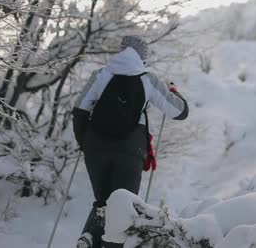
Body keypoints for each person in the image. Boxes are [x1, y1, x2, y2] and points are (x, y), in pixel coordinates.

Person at [71, 36, 188, 248]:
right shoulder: (148, 79)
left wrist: (85, 144)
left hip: (96, 146)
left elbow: (79, 111)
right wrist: (174, 92)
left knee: (103, 201)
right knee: (123, 207)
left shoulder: (101, 74)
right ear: (143, 57)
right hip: (130, 148)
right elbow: (180, 112)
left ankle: (89, 236)